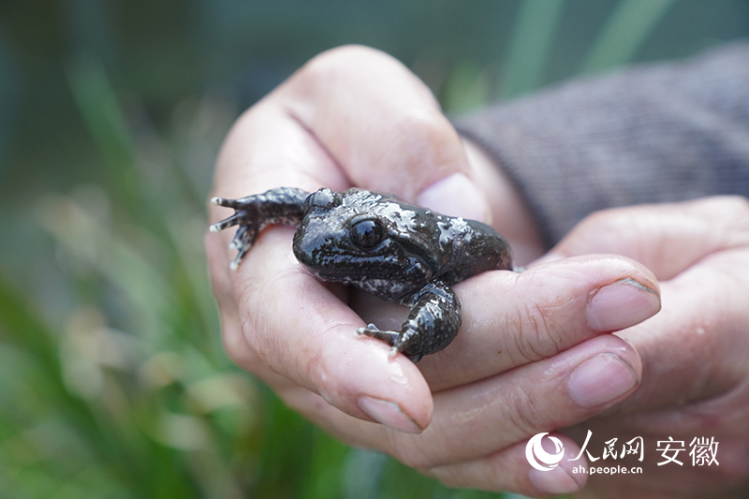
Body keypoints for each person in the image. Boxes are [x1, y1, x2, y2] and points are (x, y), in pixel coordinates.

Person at [205, 43, 749, 498]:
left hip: (481, 262)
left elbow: (443, 307)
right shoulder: (335, 219)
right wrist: (256, 208)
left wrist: (405, 342)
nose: (313, 229)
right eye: (320, 208)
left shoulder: (421, 273)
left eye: (365, 237)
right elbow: (306, 200)